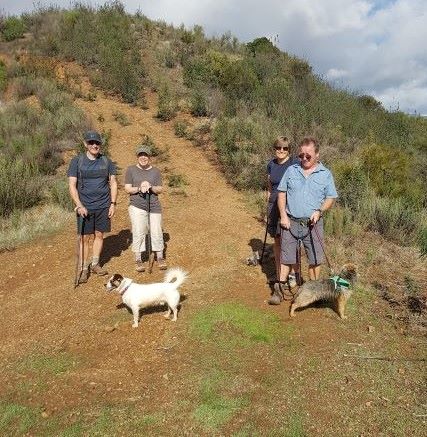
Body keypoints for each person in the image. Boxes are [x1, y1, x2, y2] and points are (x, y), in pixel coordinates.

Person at [274, 136, 338, 301]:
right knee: (286, 257)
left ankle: (313, 293)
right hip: (290, 221)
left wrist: (319, 210)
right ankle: (279, 290)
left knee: (315, 259)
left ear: (317, 154)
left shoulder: (326, 174)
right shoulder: (291, 170)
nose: (304, 159)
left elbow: (330, 197)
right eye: (301, 155)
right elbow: (281, 193)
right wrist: (283, 216)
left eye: (308, 156)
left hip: (313, 224)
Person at [68, 130, 118, 283]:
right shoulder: (77, 161)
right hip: (85, 207)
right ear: (85, 144)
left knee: (99, 235)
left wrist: (113, 203)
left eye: (97, 143)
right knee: (84, 239)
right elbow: (72, 184)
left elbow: (113, 182)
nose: (94, 145)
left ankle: (95, 264)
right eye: (91, 143)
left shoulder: (106, 161)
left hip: (103, 205)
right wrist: (79, 205)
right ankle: (84, 268)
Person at [124, 145, 167, 272]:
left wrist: (150, 186)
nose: (143, 157)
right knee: (139, 231)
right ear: (137, 157)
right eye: (141, 155)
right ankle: (138, 258)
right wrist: (139, 188)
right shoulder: (131, 170)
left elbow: (160, 189)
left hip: (153, 205)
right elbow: (127, 188)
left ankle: (159, 256)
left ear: (149, 157)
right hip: (137, 205)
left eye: (146, 155)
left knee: (156, 230)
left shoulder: (156, 171)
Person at [266, 136, 298, 294]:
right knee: (277, 242)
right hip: (273, 206)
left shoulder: (293, 164)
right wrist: (270, 197)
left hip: (288, 207)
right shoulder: (271, 164)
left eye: (285, 148)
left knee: (289, 241)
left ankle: (292, 274)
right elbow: (270, 183)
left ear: (289, 150)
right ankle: (280, 275)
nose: (281, 150)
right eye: (278, 147)